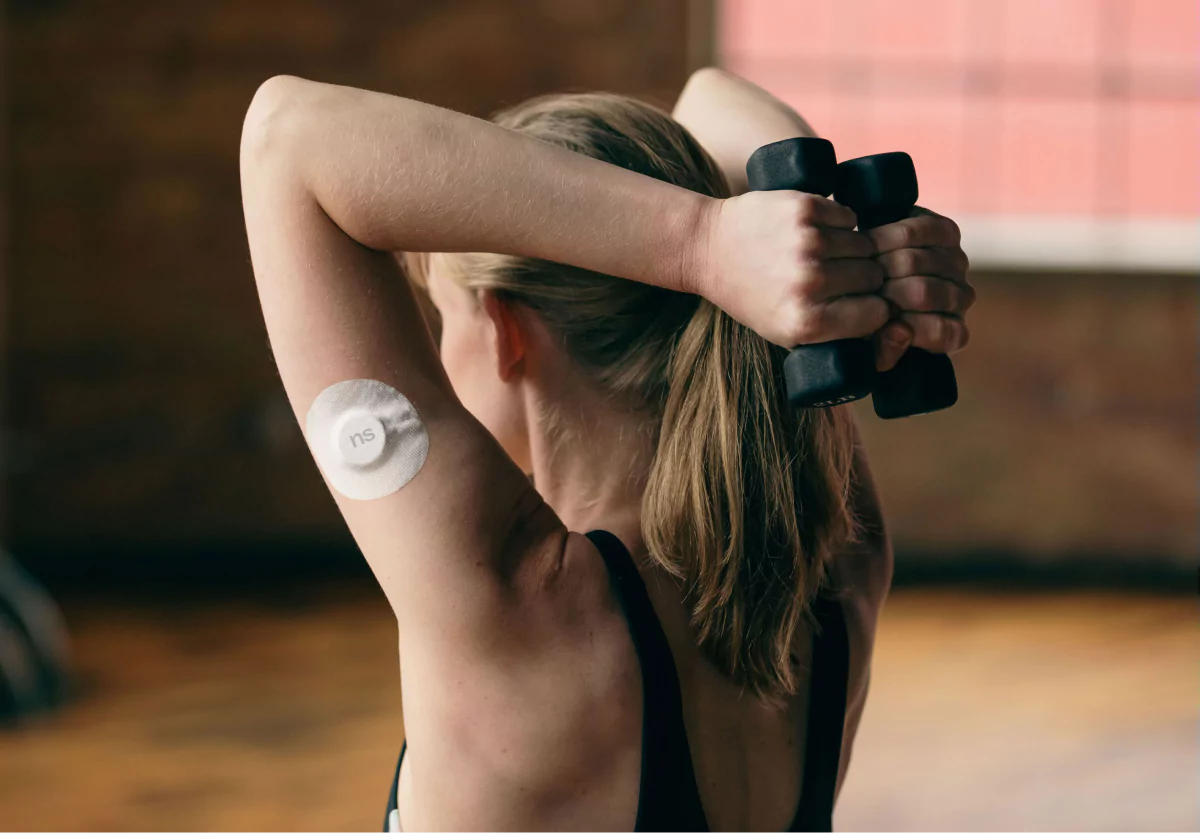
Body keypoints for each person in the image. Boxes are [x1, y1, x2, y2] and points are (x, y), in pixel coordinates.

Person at [239, 67, 974, 833]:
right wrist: (836, 254)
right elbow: (712, 97)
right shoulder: (832, 560)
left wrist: (703, 244)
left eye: (440, 313)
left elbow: (286, 138)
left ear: (504, 329)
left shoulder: (516, 609)